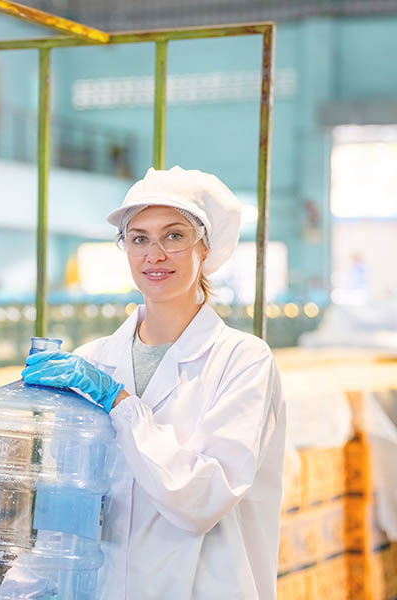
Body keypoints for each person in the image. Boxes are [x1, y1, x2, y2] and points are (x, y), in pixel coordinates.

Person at [21, 166, 286, 599]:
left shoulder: (242, 360)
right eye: (139, 238)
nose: (154, 254)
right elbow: (64, 508)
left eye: (174, 236)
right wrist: (22, 587)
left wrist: (121, 403)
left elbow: (201, 499)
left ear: (206, 246)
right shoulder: (92, 361)